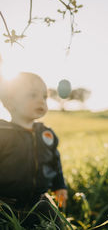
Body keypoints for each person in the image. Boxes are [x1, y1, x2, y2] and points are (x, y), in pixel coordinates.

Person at [0, 72, 68, 228]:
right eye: (32, 95)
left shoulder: (47, 134)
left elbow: (55, 163)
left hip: (39, 200)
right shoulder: (3, 132)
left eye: (44, 97)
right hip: (5, 202)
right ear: (10, 102)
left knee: (57, 223)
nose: (41, 100)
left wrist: (60, 186)